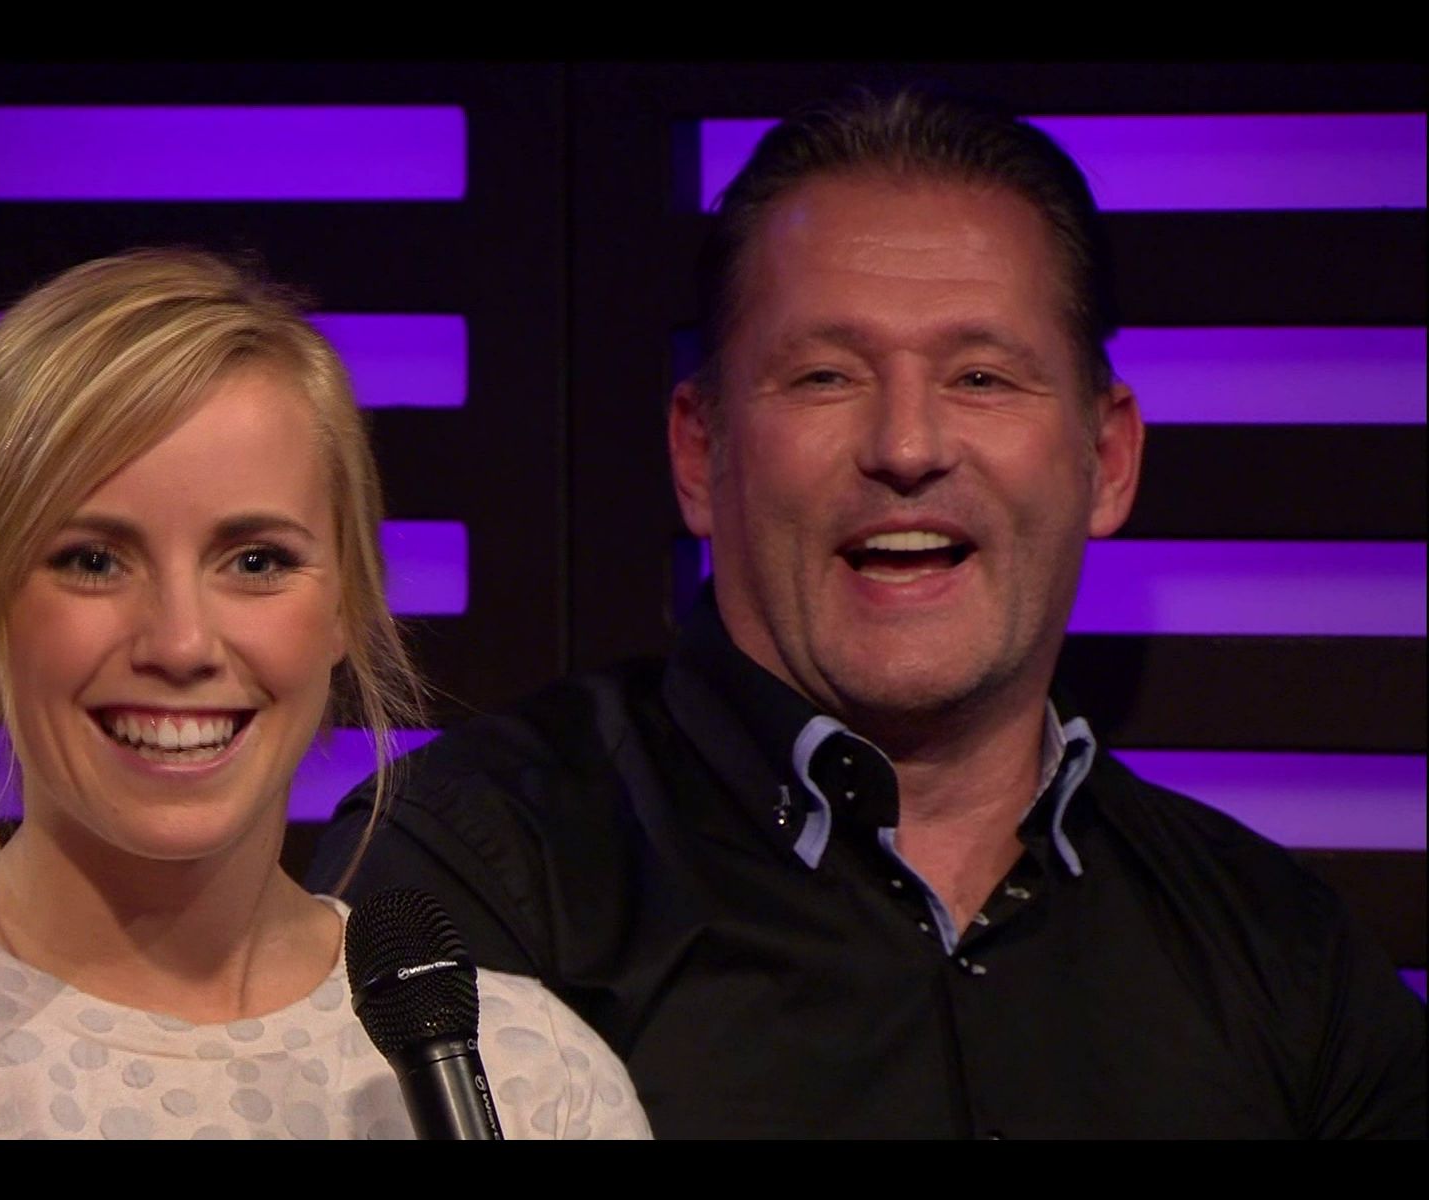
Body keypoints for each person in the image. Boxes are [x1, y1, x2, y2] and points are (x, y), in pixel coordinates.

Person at [308, 87, 1427, 1138]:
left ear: (1109, 457)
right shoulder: (475, 876)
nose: (906, 446)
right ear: (699, 454)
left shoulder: (1285, 955)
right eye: (826, 377)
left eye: (981, 377)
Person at [0, 249, 649, 1140]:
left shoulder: (535, 1079)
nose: (179, 643)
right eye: (93, 560)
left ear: (348, 605)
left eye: (256, 560)